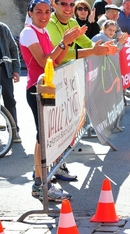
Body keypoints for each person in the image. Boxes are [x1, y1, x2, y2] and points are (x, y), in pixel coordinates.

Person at [46, 0, 118, 179]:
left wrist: (100, 48)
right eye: (64, 4)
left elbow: (85, 44)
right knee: (46, 133)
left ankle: (57, 166)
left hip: (65, 81)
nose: (69, 8)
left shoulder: (71, 22)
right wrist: (92, 52)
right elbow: (59, 57)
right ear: (54, 4)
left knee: (64, 127)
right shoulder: (50, 23)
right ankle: (42, 176)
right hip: (49, 82)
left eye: (72, 4)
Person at [19, 0, 82, 201]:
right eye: (39, 12)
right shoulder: (29, 32)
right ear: (30, 13)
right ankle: (40, 183)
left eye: (47, 11)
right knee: (42, 138)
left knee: (43, 137)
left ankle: (41, 180)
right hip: (36, 89)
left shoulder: (44, 31)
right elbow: (44, 60)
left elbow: (56, 61)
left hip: (46, 87)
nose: (44, 16)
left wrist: (68, 42)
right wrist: (63, 42)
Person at [0, 22, 21, 143]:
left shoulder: (3, 28)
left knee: (10, 100)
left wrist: (16, 70)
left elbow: (13, 49)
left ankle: (14, 130)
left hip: (4, 69)